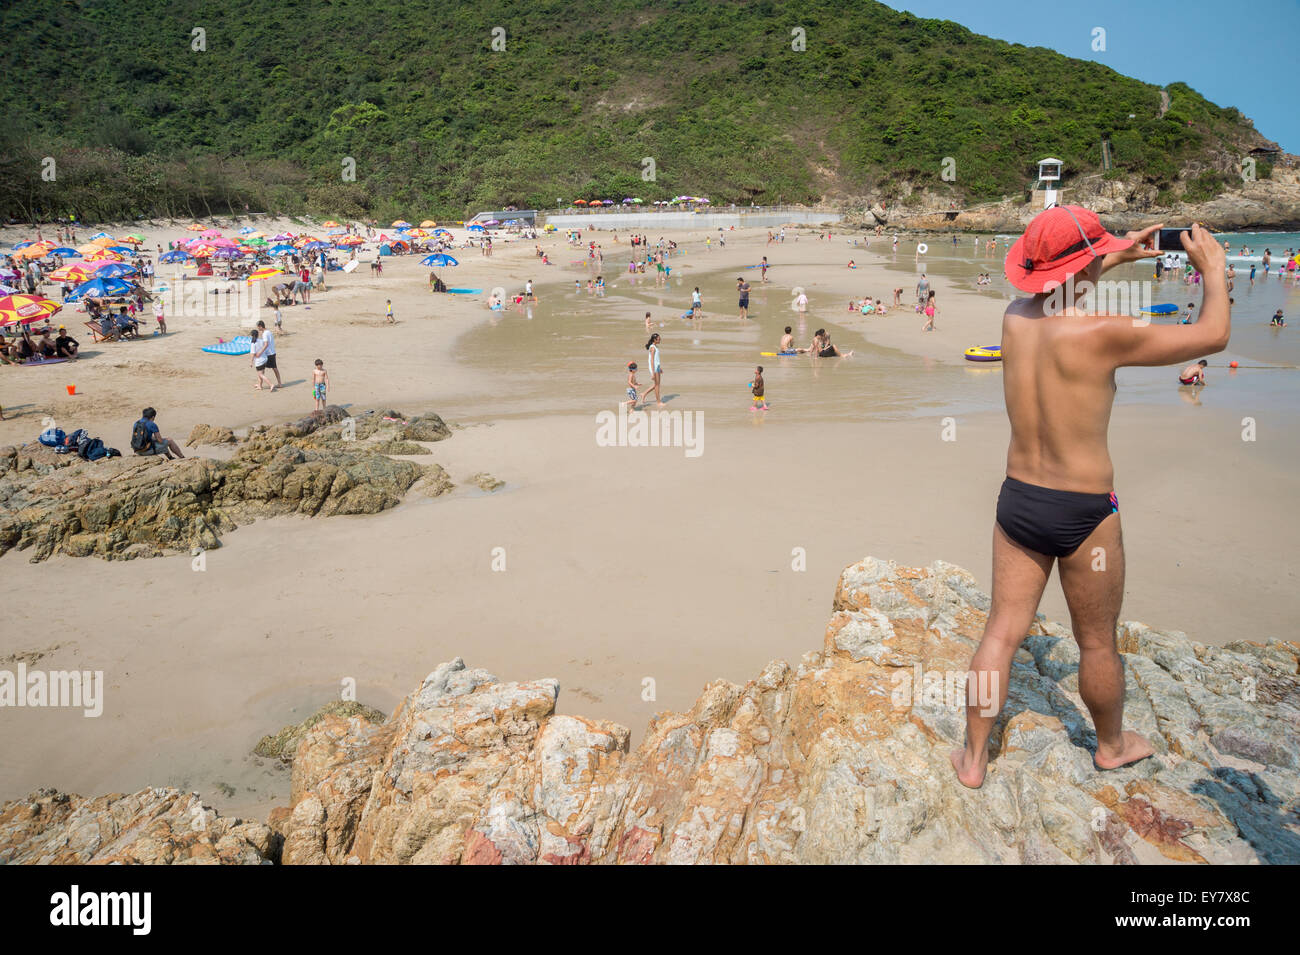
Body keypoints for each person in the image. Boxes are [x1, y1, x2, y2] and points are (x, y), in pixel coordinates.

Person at [949, 207, 1229, 790]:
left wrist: (1117, 253)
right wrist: (1214, 270)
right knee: (1097, 640)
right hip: (1084, 511)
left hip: (1019, 500)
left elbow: (1057, 294)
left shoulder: (1014, 319)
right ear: (1088, 262)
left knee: (1001, 631)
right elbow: (1213, 335)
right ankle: (1111, 746)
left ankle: (973, 760)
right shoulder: (1105, 332)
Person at [640, 333, 664, 407]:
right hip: (654, 368)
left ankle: (643, 394)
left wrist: (659, 367)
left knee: (657, 385)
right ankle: (658, 402)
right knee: (657, 386)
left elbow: (656, 360)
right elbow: (652, 361)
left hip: (657, 367)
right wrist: (653, 373)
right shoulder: (652, 348)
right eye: (659, 339)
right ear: (654, 339)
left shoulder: (655, 347)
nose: (660, 340)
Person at [256, 320, 282, 388]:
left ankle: (279, 383)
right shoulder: (268, 331)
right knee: (263, 369)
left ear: (260, 326)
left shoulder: (265, 334)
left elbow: (266, 344)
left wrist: (260, 352)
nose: (258, 329)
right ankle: (260, 385)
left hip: (269, 354)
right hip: (271, 352)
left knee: (272, 368)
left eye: (258, 327)